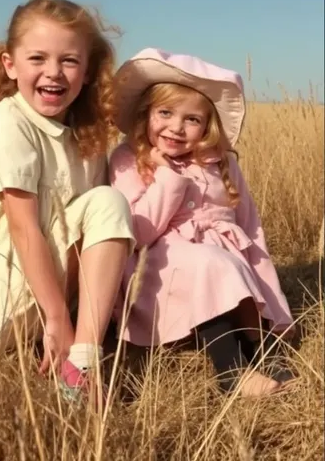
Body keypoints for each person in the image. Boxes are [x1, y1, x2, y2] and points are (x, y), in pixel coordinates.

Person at [0, 0, 135, 403]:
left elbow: (90, 235)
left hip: (40, 293)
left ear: (88, 71)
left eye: (69, 60)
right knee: (108, 204)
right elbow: (23, 226)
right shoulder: (7, 123)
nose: (53, 73)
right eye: (38, 58)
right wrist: (57, 319)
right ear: (9, 64)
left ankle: (81, 367)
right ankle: (77, 357)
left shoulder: (87, 134)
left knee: (107, 204)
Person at [109, 48, 296, 397]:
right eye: (165, 113)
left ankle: (263, 353)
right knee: (210, 264)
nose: (176, 128)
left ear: (207, 126)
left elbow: (251, 227)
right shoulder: (128, 159)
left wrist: (272, 292)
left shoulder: (221, 163)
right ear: (145, 113)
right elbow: (139, 231)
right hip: (160, 271)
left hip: (227, 265)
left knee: (229, 266)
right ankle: (232, 372)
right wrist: (167, 176)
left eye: (192, 120)